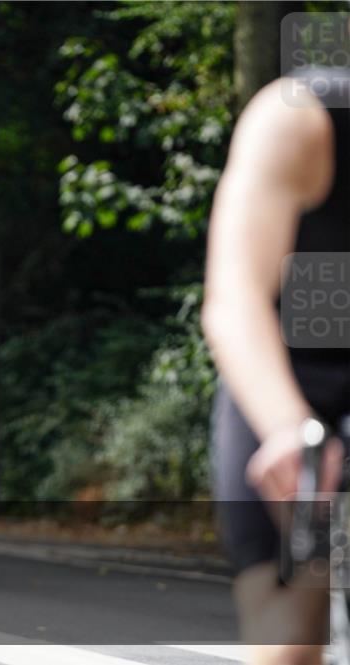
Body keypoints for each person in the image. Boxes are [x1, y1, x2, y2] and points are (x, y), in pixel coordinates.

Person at [203, 67, 348, 665]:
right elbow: (234, 297)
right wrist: (290, 430)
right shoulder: (299, 117)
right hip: (287, 375)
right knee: (286, 636)